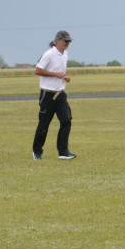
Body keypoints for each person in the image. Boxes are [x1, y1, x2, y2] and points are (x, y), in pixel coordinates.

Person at [32, 30, 76, 160]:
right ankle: (37, 151)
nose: (67, 44)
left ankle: (63, 151)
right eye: (65, 41)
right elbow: (38, 70)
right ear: (57, 41)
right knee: (44, 124)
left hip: (60, 94)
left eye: (69, 42)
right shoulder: (49, 54)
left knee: (66, 121)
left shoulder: (65, 55)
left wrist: (65, 77)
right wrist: (55, 75)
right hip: (47, 95)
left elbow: (60, 71)